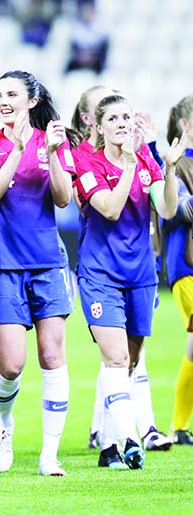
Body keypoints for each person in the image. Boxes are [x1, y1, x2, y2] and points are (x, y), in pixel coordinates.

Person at [0, 70, 76, 476]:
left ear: (31, 100)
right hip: (2, 261)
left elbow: (64, 199)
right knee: (11, 364)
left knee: (52, 354)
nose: (3, 101)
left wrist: (50, 154)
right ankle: (5, 424)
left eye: (12, 93)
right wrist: (16, 150)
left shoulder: (55, 141)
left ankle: (50, 454)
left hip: (47, 261)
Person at [75, 94, 180, 469]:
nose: (122, 123)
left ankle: (107, 445)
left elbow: (166, 209)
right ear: (99, 127)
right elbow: (110, 208)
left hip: (140, 275)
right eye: (114, 118)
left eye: (127, 117)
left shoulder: (147, 161)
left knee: (130, 362)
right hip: (100, 274)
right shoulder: (87, 162)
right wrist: (132, 164)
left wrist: (167, 169)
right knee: (116, 356)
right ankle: (131, 441)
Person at [161, 95, 193, 446]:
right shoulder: (174, 163)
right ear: (185, 125)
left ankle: (179, 427)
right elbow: (180, 209)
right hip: (186, 264)